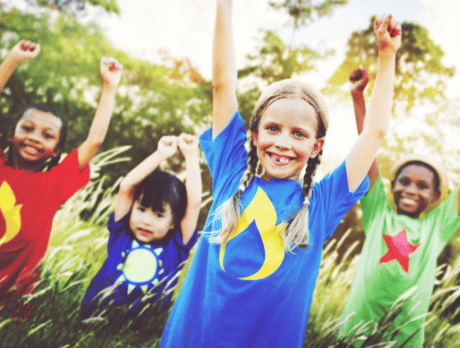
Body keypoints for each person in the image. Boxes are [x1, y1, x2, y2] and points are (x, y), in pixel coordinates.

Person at [158, 0, 401, 346]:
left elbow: (374, 132)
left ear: (316, 147)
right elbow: (222, 85)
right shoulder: (230, 170)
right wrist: (223, 7)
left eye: (299, 134)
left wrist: (386, 54)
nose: (283, 143)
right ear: (254, 136)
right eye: (273, 129)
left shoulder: (321, 204)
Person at [0, 40, 122, 318]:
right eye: (27, 128)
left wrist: (109, 87)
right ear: (10, 134)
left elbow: (95, 141)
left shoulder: (53, 184)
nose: (34, 137)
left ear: (56, 151)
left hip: (11, 303)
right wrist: (13, 60)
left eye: (47, 135)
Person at [339, 66, 460, 347]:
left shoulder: (437, 227)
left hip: (403, 341)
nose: (410, 190)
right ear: (392, 186)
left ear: (435, 196)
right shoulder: (377, 212)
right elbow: (367, 147)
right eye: (403, 182)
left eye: (422, 186)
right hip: (353, 334)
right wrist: (358, 98)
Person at [80, 134, 201, 321]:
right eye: (141, 209)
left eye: (159, 215)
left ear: (173, 223)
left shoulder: (175, 249)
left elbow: (193, 204)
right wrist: (160, 154)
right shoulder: (122, 234)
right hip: (96, 319)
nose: (146, 220)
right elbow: (127, 186)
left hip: (140, 329)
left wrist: (192, 155)